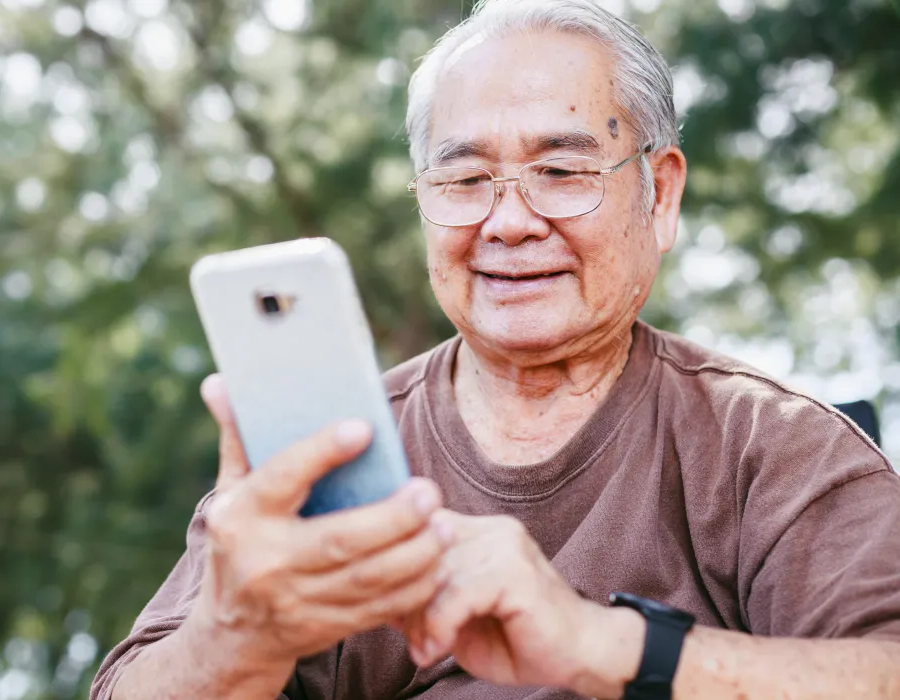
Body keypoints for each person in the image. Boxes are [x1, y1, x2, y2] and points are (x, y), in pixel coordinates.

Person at [91, 0, 900, 697]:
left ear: (661, 195)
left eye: (559, 170)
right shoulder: (315, 457)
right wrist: (235, 638)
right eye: (466, 180)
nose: (509, 221)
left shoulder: (772, 446)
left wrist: (596, 644)